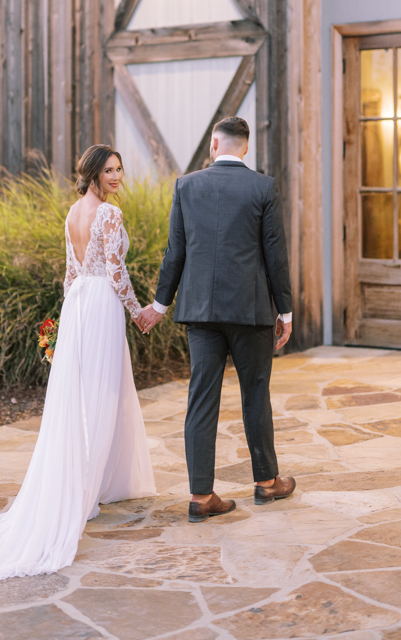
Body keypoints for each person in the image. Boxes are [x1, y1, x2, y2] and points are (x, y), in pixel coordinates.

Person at [0, 145, 156, 580]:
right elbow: (116, 272)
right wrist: (138, 312)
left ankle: (95, 482)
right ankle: (85, 490)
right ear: (93, 173)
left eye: (119, 169)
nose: (117, 177)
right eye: (109, 170)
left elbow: (69, 274)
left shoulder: (73, 212)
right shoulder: (108, 216)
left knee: (86, 393)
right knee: (102, 391)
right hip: (100, 305)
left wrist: (64, 324)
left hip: (78, 305)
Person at [139, 116, 295, 523]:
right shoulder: (264, 187)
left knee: (201, 397)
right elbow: (274, 253)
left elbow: (175, 252)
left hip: (201, 312)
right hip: (251, 309)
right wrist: (286, 310)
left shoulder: (186, 185)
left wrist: (159, 304)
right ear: (245, 148)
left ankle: (201, 495)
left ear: (214, 143)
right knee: (255, 393)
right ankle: (266, 483)